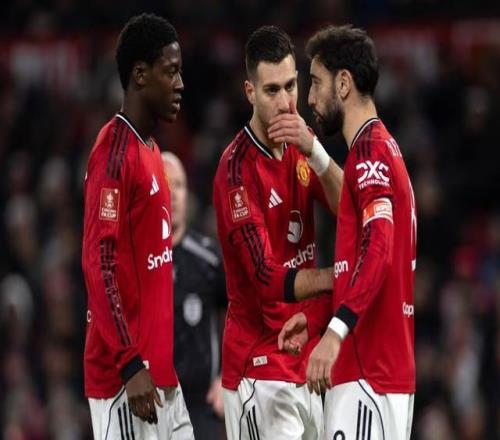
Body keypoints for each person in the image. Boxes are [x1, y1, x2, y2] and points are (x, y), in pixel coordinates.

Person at [275, 25, 417, 440]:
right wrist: (318, 317)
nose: (310, 98)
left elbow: (378, 249)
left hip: (367, 372)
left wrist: (335, 333)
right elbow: (356, 265)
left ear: (343, 83)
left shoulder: (370, 151)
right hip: (378, 372)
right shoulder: (380, 150)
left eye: (316, 82)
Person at [213, 26, 343, 440]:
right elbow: (266, 278)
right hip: (259, 366)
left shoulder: (302, 145)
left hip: (307, 358)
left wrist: (315, 152)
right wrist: (336, 276)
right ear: (250, 92)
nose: (286, 102)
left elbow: (350, 207)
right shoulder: (235, 172)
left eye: (291, 86)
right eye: (271, 90)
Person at [81, 13, 193, 439]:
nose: (180, 84)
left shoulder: (151, 150)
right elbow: (98, 263)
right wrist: (129, 364)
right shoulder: (113, 153)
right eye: (171, 72)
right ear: (141, 75)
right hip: (125, 381)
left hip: (160, 376)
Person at [162, 151, 227, 439]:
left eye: (179, 185)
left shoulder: (208, 258)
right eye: (166, 184)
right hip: (152, 405)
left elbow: (241, 315)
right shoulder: (137, 263)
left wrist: (227, 377)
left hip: (201, 406)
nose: (174, 195)